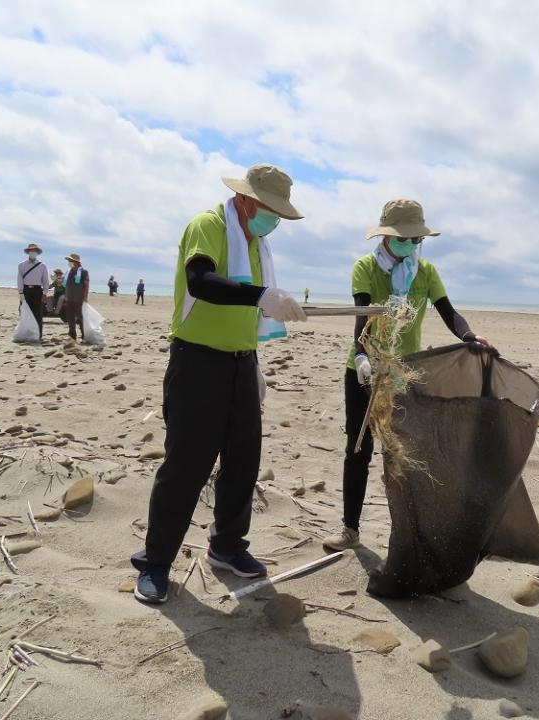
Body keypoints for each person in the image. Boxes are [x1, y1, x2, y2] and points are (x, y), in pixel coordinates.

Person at [131, 163, 307, 604]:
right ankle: (155, 562)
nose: (275, 222)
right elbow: (202, 281)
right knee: (186, 466)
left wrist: (257, 351)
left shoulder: (256, 244)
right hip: (197, 362)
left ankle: (227, 546)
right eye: (272, 211)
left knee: (244, 462)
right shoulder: (208, 225)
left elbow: (250, 307)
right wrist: (260, 296)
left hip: (242, 363)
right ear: (247, 201)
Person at [322, 198, 491, 553]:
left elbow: (450, 313)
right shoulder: (366, 268)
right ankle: (350, 529)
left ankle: (408, 534)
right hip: (364, 373)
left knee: (402, 456)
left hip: (405, 375)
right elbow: (362, 317)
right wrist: (361, 354)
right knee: (358, 449)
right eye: (405, 238)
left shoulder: (425, 272)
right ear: (386, 237)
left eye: (417, 239)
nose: (411, 245)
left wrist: (468, 336)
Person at [17, 244, 48, 340]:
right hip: (26, 291)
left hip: (37, 291)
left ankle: (38, 335)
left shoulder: (42, 266)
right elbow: (19, 279)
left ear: (37, 252)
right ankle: (26, 334)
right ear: (28, 252)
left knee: (38, 313)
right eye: (31, 250)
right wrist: (21, 292)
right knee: (25, 312)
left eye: (35, 251)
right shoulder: (21, 265)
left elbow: (45, 281)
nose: (33, 252)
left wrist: (45, 293)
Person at [64, 254, 90, 341]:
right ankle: (72, 336)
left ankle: (84, 336)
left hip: (79, 299)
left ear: (76, 262)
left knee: (81, 319)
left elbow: (86, 285)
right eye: (69, 261)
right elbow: (65, 284)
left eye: (70, 261)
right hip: (69, 298)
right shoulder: (68, 272)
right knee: (70, 318)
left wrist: (85, 297)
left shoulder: (83, 272)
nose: (69, 263)